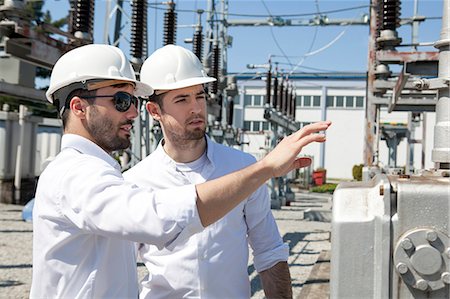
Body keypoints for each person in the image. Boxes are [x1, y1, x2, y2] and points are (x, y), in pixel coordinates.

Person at [30, 43, 331, 298]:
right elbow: (160, 218)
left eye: (199, 96)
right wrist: (264, 168)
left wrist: (258, 171)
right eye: (122, 101)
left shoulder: (106, 176)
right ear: (79, 107)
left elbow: (269, 251)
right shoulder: (82, 176)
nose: (133, 112)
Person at [124, 44, 293, 299]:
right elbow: (121, 270)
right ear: (154, 110)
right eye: (182, 99)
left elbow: (269, 252)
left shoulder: (243, 168)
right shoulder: (134, 183)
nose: (196, 108)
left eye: (199, 96)